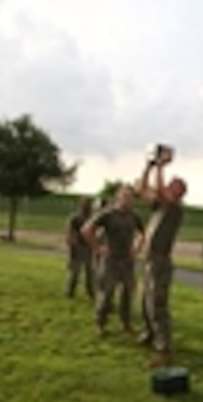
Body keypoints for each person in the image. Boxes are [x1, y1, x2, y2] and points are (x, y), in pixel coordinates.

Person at [137, 144, 188, 367]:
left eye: (174, 185)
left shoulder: (175, 208)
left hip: (161, 262)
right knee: (144, 302)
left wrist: (160, 167)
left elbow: (161, 190)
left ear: (180, 193)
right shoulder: (160, 206)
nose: (168, 185)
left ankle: (164, 349)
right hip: (149, 260)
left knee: (157, 305)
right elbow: (143, 190)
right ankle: (150, 334)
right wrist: (149, 167)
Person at [81, 184, 144, 337]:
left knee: (128, 293)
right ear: (118, 197)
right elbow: (86, 229)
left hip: (127, 260)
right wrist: (98, 247)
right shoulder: (108, 214)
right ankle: (100, 323)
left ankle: (126, 323)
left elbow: (143, 233)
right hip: (110, 259)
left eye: (130, 197)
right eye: (124, 196)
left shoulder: (134, 216)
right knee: (106, 293)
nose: (127, 200)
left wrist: (137, 247)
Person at [65, 197, 94, 299]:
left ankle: (91, 292)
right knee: (74, 272)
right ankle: (70, 291)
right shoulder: (75, 217)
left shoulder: (92, 218)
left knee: (90, 273)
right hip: (77, 247)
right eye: (85, 204)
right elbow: (69, 232)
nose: (87, 206)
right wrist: (71, 244)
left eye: (89, 204)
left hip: (89, 248)